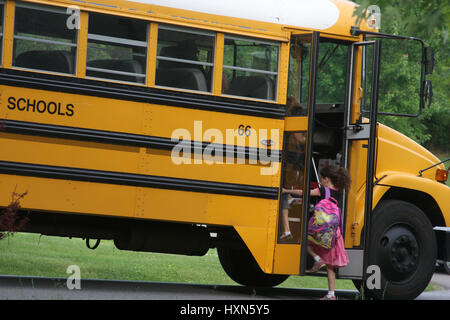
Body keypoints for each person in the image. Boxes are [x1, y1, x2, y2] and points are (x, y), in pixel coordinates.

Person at [284, 165, 351, 300]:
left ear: (326, 179)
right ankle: (331, 294)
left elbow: (304, 193)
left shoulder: (322, 190)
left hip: (319, 230)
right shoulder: (338, 192)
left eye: (321, 179)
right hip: (333, 233)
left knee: (307, 244)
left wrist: (286, 190)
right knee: (330, 266)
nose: (320, 181)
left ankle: (317, 259)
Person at [279, 132, 306, 241]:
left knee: (283, 193)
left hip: (293, 159)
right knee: (285, 190)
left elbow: (299, 137)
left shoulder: (298, 119)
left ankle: (286, 230)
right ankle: (289, 197)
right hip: (295, 160)